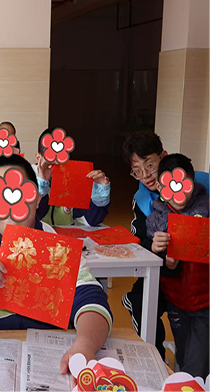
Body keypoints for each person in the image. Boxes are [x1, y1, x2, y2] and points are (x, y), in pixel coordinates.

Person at [0, 154, 112, 375]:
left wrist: (84, 346)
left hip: (52, 359)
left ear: (37, 199)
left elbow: (93, 301)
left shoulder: (56, 247)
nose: (11, 207)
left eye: (21, 195)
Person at [121, 132, 210, 359]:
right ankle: (157, 358)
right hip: (168, 272)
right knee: (141, 301)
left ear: (163, 157)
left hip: (202, 273)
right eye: (137, 171)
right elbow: (140, 242)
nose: (146, 175)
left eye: (150, 165)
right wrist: (157, 250)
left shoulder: (202, 184)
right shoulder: (142, 200)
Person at [146, 153, 210, 377]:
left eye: (184, 185)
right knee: (183, 355)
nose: (178, 193)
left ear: (191, 182)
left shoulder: (207, 209)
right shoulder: (156, 219)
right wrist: (159, 253)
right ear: (160, 188)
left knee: (197, 365)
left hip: (205, 302)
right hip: (176, 302)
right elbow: (155, 261)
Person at [34, 129, 110, 226]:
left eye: (62, 157)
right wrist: (42, 187)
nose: (56, 163)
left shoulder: (72, 181)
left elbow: (92, 220)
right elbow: (33, 218)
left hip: (66, 232)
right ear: (38, 158)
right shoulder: (28, 178)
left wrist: (99, 198)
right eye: (50, 157)